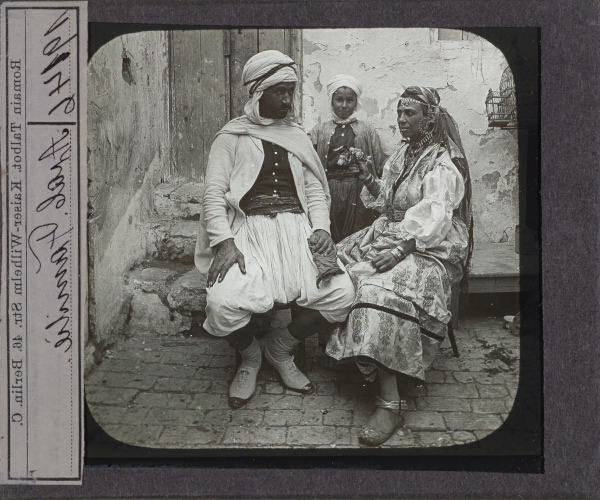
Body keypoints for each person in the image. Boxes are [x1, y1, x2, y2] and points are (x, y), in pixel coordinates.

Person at [195, 50, 355, 409]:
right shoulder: (231, 137)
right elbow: (213, 194)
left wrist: (321, 229)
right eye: (278, 91)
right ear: (257, 93)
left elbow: (314, 191)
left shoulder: (297, 136)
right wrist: (223, 242)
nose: (286, 99)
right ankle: (251, 358)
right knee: (221, 304)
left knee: (343, 293)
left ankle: (280, 350)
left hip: (297, 229)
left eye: (290, 91)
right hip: (248, 231)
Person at [326, 86, 473, 446]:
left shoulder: (442, 162)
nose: (402, 120)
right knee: (331, 264)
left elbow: (436, 217)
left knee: (379, 289)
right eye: (400, 113)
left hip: (428, 246)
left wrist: (401, 249)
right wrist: (366, 176)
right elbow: (387, 201)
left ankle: (390, 402)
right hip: (390, 232)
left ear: (429, 119)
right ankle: (323, 349)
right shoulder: (404, 154)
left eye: (410, 114)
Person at [309, 74, 388, 244]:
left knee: (357, 238)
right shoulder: (319, 131)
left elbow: (380, 163)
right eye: (339, 100)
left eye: (349, 100)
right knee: (330, 235)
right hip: (329, 191)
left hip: (358, 192)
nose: (344, 105)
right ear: (332, 100)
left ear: (356, 102)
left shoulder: (367, 130)